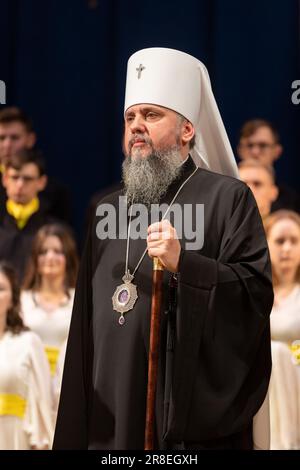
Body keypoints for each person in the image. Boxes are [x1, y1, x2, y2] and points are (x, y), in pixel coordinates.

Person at [53, 48, 273, 450]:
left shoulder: (228, 199)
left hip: (180, 416)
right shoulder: (104, 207)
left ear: (187, 129)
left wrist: (185, 266)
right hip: (110, 413)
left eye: (151, 115)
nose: (137, 126)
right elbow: (84, 325)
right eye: (130, 117)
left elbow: (254, 295)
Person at [0, 261, 53, 450]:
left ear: (13, 298)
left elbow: (43, 404)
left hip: (15, 437)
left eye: (1, 289)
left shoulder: (29, 342)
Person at [21, 224, 78, 382]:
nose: (50, 257)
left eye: (58, 251)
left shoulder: (78, 300)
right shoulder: (21, 300)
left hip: (68, 383)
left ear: (68, 257)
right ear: (35, 258)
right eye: (43, 252)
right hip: (28, 385)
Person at [264, 210, 300, 449]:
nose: (286, 248)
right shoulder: (256, 292)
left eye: (294, 241)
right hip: (263, 387)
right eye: (279, 241)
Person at [0, 106, 72, 223]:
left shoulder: (54, 192)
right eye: (2, 138)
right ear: (5, 180)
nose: (7, 145)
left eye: (14, 138)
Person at [0, 149, 55, 280]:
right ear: (5, 179)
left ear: (41, 182)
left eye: (27, 179)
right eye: (14, 177)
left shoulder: (53, 230)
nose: (20, 185)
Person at [237, 119, 300, 213]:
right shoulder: (225, 192)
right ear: (240, 150)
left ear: (277, 151)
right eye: (249, 145)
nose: (255, 152)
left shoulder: (292, 202)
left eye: (263, 145)